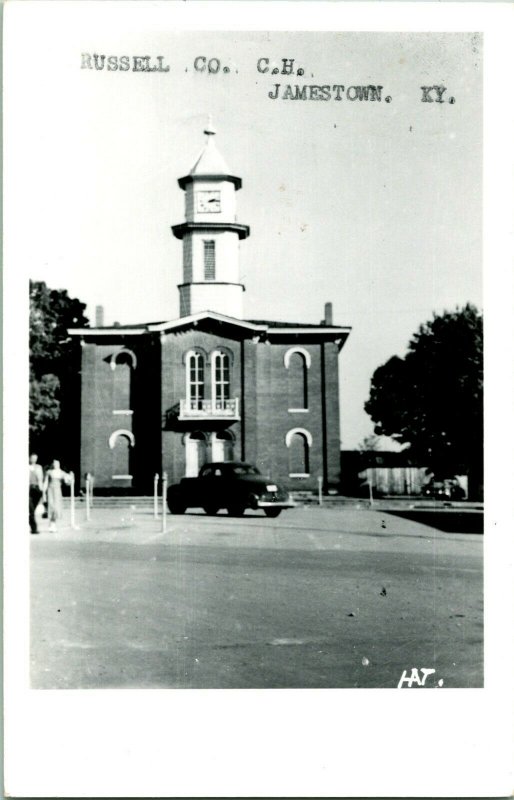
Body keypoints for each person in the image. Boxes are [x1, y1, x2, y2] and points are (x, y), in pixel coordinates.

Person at [43, 460, 71, 532]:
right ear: (53, 464)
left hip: (57, 490)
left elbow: (68, 481)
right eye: (55, 464)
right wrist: (43, 492)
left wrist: (69, 478)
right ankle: (51, 524)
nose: (56, 465)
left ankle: (53, 524)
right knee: (51, 506)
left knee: (56, 506)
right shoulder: (49, 472)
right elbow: (46, 482)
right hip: (50, 490)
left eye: (57, 464)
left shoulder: (62, 473)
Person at [29, 453, 44, 534]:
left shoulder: (39, 467)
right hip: (28, 489)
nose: (34, 460)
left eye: (35, 458)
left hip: (37, 490)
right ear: (29, 458)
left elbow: (41, 479)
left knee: (32, 509)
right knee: (30, 509)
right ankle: (34, 528)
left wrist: (42, 492)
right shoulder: (26, 467)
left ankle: (30, 523)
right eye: (32, 458)